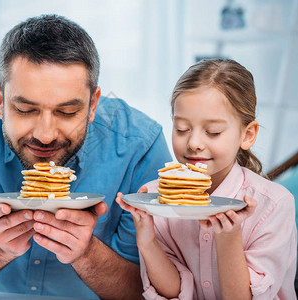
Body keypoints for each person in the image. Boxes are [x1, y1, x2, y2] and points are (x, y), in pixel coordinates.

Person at [0, 14, 172, 299]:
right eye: (25, 110)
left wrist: (87, 254)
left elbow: (160, 290)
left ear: (93, 104)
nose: (46, 135)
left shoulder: (140, 145)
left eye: (67, 112)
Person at [116, 59, 297, 299]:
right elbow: (173, 292)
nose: (194, 143)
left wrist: (229, 236)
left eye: (213, 132)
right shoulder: (156, 199)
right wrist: (147, 242)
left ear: (248, 134)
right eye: (182, 129)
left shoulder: (272, 204)